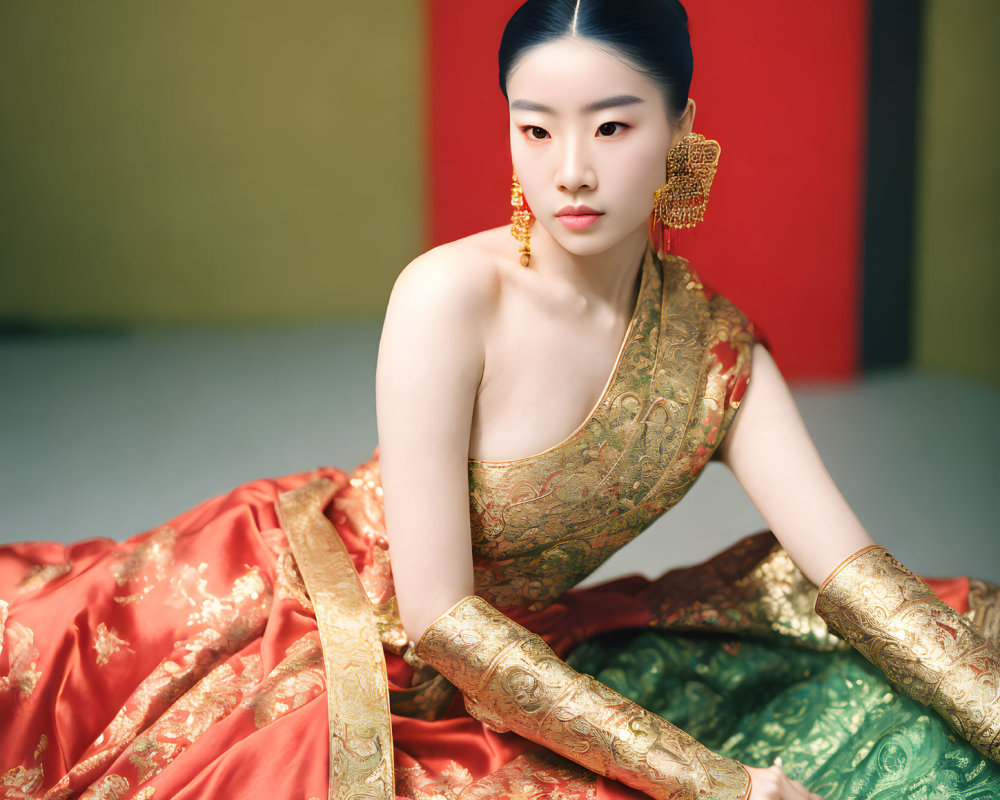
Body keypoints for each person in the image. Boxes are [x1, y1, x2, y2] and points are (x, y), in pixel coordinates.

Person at [1, 1, 997, 799]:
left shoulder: (716, 355)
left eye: (612, 125)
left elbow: (855, 580)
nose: (570, 169)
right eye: (535, 128)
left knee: (918, 693)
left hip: (523, 657)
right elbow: (439, 618)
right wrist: (717, 782)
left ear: (681, 131)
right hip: (314, 621)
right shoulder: (447, 296)